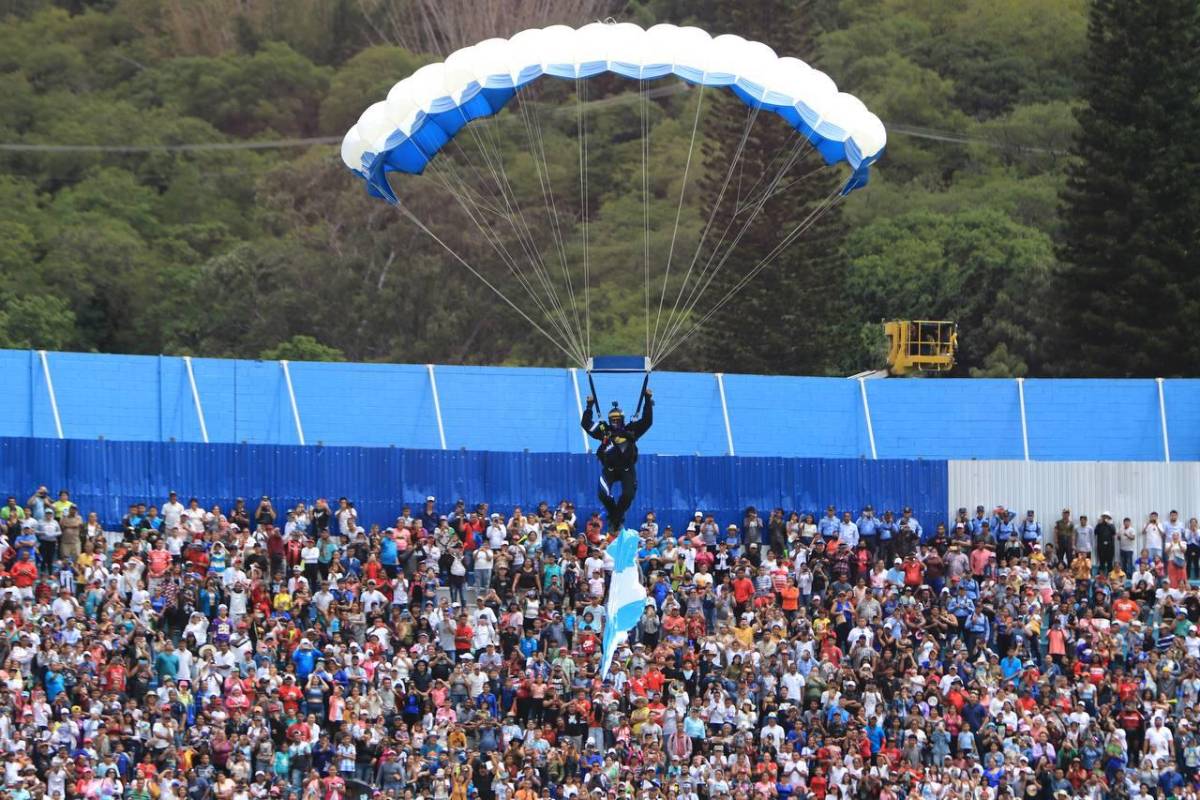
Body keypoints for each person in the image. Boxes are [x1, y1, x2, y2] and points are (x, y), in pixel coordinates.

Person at [581, 388, 653, 532]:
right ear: (608, 420)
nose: (615, 422)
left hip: (627, 469)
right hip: (610, 469)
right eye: (612, 420)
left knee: (628, 495)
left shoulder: (631, 429)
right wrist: (589, 406)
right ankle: (615, 517)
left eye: (617, 420)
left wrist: (647, 400)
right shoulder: (604, 431)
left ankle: (616, 519)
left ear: (622, 419)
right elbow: (586, 424)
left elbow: (647, 421)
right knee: (602, 494)